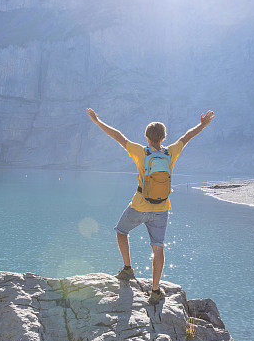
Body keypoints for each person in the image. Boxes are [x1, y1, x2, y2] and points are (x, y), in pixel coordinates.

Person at [85, 108, 215, 304]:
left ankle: (128, 269)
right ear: (163, 137)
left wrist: (97, 121)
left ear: (147, 137)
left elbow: (118, 136)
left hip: (139, 205)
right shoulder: (170, 152)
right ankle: (155, 290)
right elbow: (187, 136)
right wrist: (203, 124)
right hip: (162, 208)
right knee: (158, 248)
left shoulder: (140, 152)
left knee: (121, 231)